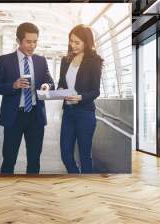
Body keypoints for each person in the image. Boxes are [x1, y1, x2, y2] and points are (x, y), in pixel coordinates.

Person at [0, 22, 55, 174]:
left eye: (35, 42)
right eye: (28, 41)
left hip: (35, 116)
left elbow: (50, 81)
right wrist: (13, 85)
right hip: (14, 117)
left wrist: (47, 86)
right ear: (19, 41)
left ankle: (30, 193)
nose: (32, 46)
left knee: (34, 161)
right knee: (9, 160)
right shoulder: (5, 60)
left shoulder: (41, 61)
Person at [58, 25, 103, 174]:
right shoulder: (65, 60)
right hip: (68, 113)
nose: (73, 45)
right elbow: (61, 83)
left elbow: (96, 91)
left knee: (85, 156)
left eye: (77, 42)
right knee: (65, 154)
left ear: (86, 42)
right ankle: (75, 178)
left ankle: (85, 187)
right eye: (71, 41)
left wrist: (80, 97)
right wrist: (58, 90)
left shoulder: (94, 61)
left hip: (85, 113)